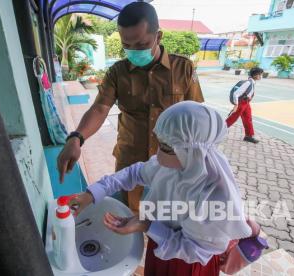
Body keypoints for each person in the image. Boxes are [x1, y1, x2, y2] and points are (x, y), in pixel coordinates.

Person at [69, 101, 255, 276]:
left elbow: (195, 250)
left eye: (165, 147)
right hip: (161, 245)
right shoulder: (172, 165)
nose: (157, 153)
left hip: (188, 266)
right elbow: (135, 173)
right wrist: (93, 193)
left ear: (191, 152)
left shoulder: (213, 195)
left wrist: (146, 225)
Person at [57, 2, 204, 214]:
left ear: (158, 37)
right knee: (128, 212)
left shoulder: (183, 68)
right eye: (128, 45)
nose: (134, 51)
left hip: (173, 158)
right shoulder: (118, 72)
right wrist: (76, 138)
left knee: (170, 213)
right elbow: (100, 108)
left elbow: (197, 115)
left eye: (142, 44)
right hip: (130, 156)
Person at [225, 67, 264, 144]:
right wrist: (236, 105)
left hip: (246, 103)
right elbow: (236, 94)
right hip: (241, 103)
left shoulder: (252, 82)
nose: (261, 76)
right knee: (232, 118)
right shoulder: (248, 83)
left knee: (248, 118)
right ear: (256, 75)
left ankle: (248, 136)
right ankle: (217, 131)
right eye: (260, 75)